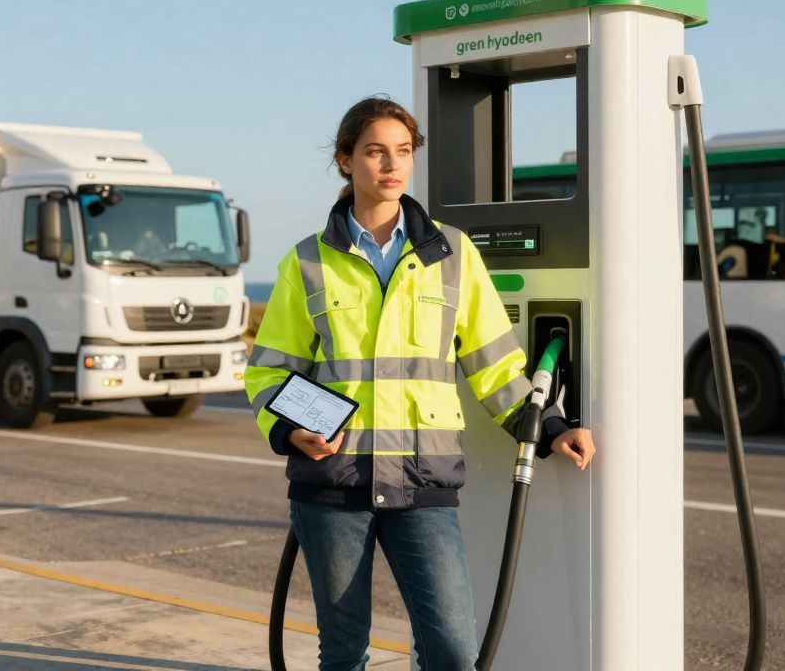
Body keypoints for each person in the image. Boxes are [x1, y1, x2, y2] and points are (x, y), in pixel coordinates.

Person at [244, 96, 596, 671]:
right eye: (375, 151)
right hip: (333, 482)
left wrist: (550, 427)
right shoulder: (306, 263)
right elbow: (268, 370)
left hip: (421, 481)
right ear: (345, 161)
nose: (391, 165)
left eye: (402, 152)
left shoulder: (452, 254)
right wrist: (291, 429)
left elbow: (495, 364)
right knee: (343, 650)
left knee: (454, 650)